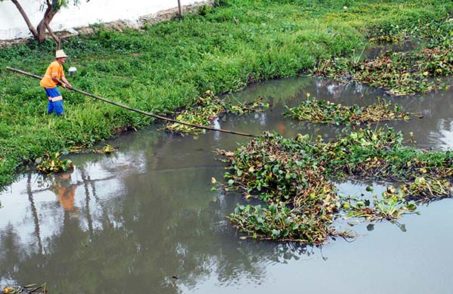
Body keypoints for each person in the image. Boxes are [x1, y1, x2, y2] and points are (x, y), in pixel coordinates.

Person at [40, 49, 73, 116]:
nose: (65, 59)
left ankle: (49, 112)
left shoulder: (60, 65)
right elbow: (54, 77)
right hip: (49, 84)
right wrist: (62, 84)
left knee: (52, 98)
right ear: (59, 58)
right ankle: (60, 114)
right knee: (57, 98)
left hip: (47, 83)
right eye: (64, 57)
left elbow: (62, 77)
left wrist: (68, 84)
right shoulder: (55, 65)